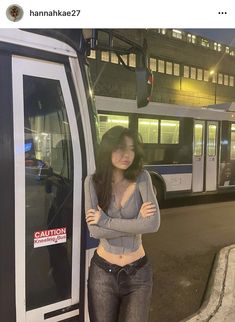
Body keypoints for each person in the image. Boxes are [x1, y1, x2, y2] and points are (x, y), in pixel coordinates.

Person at [84, 126, 160, 322]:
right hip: (102, 275)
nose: (127, 155)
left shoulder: (142, 177)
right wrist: (136, 222)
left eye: (132, 149)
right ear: (108, 149)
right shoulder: (92, 182)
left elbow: (152, 224)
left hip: (138, 274)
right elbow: (94, 231)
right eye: (120, 148)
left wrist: (106, 221)